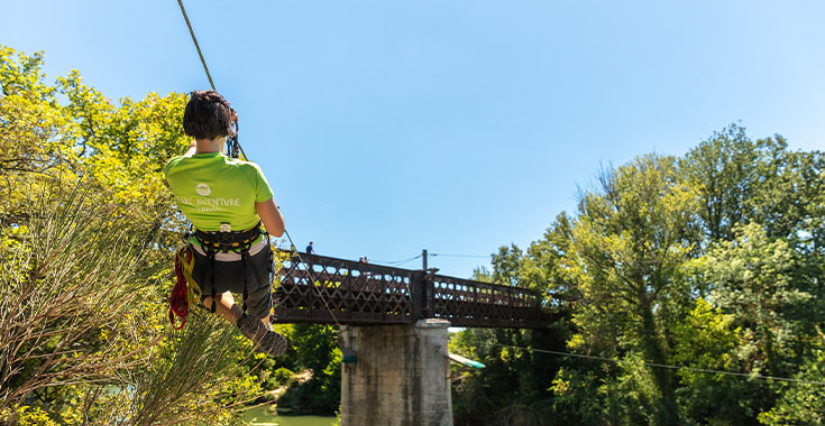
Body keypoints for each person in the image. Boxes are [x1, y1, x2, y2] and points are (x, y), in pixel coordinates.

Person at [164, 90, 287, 357]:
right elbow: (277, 230)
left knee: (204, 294)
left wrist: (218, 124)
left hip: (208, 263)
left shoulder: (173, 170)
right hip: (251, 266)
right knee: (260, 295)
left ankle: (238, 318)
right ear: (228, 128)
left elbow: (192, 151)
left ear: (188, 126)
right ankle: (264, 325)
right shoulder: (249, 172)